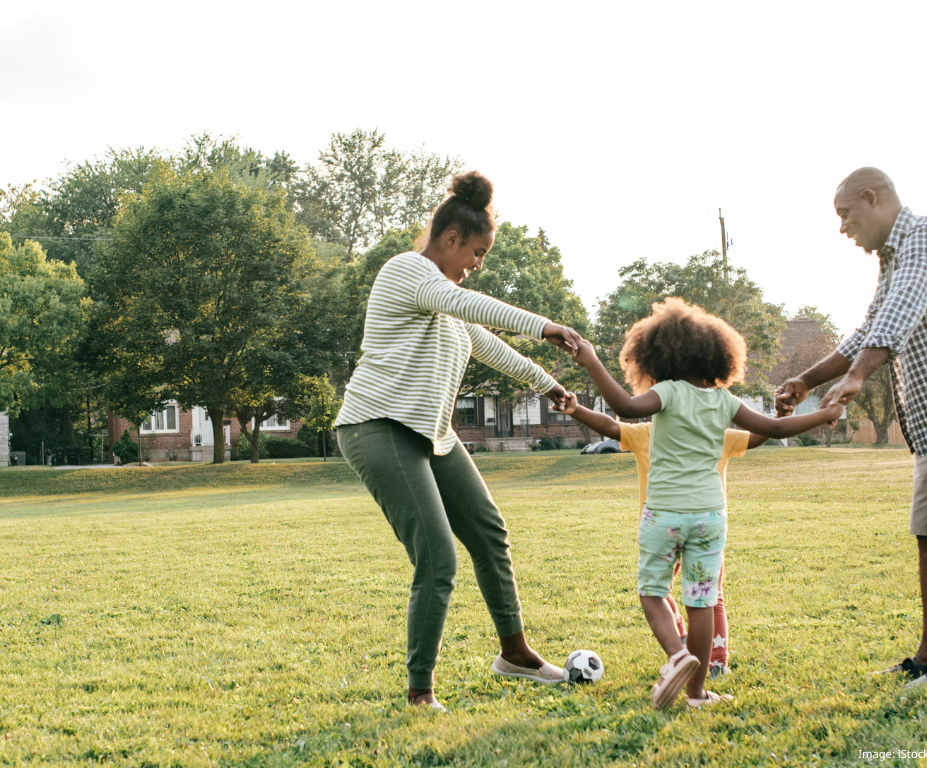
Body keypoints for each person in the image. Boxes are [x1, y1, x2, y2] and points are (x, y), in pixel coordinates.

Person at [335, 171, 583, 710]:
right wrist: (546, 326)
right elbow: (480, 309)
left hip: (431, 433)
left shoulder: (444, 302)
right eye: (477, 252)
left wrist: (550, 384)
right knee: (438, 557)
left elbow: (489, 343)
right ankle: (420, 692)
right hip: (377, 426)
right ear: (450, 240)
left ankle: (515, 654)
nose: (477, 264)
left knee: (489, 530)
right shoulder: (407, 273)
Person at [776, 168, 927, 687]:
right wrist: (804, 379)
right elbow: (868, 327)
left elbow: (899, 317)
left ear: (873, 199)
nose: (843, 228)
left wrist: (859, 376)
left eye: (846, 214)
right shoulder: (892, 259)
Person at [571, 299, 843, 708]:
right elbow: (773, 427)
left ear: (658, 356)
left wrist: (591, 360)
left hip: (664, 513)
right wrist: (824, 415)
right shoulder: (725, 401)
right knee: (701, 599)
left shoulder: (667, 392)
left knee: (652, 592)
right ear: (716, 356)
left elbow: (624, 410)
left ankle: (678, 656)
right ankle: (697, 693)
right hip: (710, 516)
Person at [562, 394, 780, 677]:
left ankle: (690, 650)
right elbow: (758, 436)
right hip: (704, 528)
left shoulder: (648, 434)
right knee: (709, 597)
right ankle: (712, 661)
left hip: (661, 528)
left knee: (656, 591)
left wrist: (576, 409)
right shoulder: (712, 435)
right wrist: (779, 414)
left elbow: (610, 426)